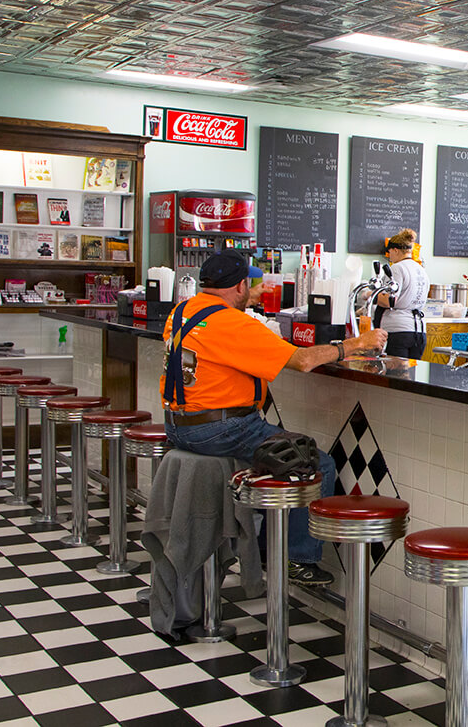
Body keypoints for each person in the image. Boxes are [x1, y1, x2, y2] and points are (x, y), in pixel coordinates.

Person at [162, 250, 387, 586]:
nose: (253, 292)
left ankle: (266, 547)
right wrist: (355, 344)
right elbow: (304, 361)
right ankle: (292, 558)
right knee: (314, 463)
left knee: (280, 451)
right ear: (238, 287)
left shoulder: (181, 311)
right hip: (221, 429)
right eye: (250, 286)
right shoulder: (233, 323)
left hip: (177, 425)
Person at [375, 228, 429, 359]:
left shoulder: (397, 268)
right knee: (411, 376)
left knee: (396, 376)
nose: (389, 256)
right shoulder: (421, 269)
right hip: (419, 332)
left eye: (389, 252)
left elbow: (389, 300)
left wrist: (371, 296)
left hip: (398, 332)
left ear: (395, 250)